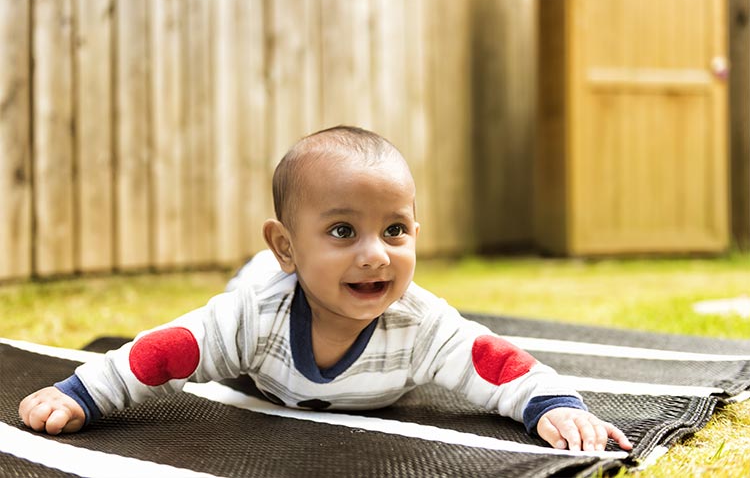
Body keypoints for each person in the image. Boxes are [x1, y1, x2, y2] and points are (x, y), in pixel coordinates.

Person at [19, 125, 632, 452]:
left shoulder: (423, 325)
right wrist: (80, 394)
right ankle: (263, 263)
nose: (375, 254)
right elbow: (163, 352)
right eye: (343, 230)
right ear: (286, 243)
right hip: (266, 295)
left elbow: (500, 366)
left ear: (417, 232)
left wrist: (556, 407)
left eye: (395, 230)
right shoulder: (251, 318)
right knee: (241, 294)